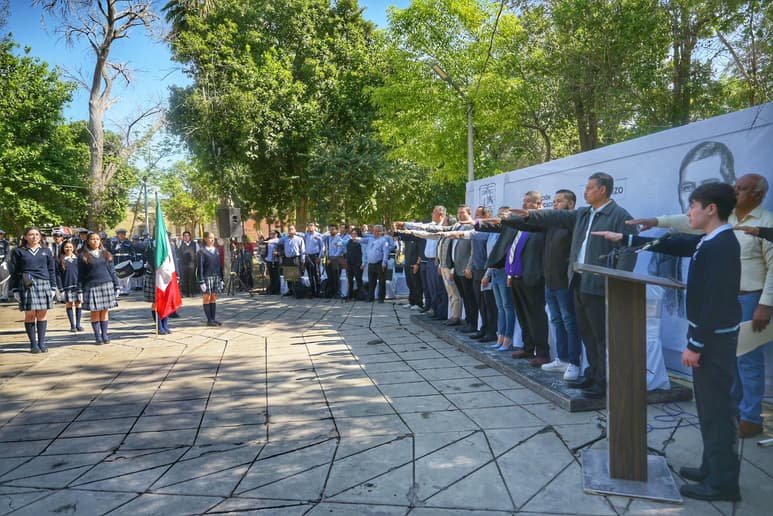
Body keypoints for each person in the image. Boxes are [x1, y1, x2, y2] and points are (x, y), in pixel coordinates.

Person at [593, 182, 742, 502]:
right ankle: (712, 468)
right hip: (710, 339)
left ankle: (723, 483)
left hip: (713, 342)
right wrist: (626, 238)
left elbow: (716, 301)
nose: (688, 212)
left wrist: (696, 344)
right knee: (709, 408)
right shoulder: (711, 240)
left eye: (692, 206)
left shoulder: (722, 245)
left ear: (710, 209)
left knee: (717, 410)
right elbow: (676, 246)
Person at [631, 173, 773, 437]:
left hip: (750, 298)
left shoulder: (766, 223)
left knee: (749, 361)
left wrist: (765, 304)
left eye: (742, 189)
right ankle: (732, 412)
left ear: (758, 195)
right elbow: (686, 222)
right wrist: (656, 221)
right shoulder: (723, 221)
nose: (736, 191)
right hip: (724, 302)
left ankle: (751, 417)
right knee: (727, 361)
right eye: (735, 187)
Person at [512, 172, 638, 399]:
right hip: (579, 280)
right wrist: (531, 214)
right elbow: (556, 217)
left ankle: (604, 382)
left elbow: (628, 253)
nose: (585, 192)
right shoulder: (584, 214)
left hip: (601, 284)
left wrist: (617, 281)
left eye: (589, 188)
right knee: (586, 332)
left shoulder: (620, 216)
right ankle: (592, 373)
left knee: (601, 336)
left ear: (602, 190)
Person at [501, 191, 551, 367]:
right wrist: (510, 273)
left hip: (533, 277)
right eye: (523, 201)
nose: (524, 205)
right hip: (516, 277)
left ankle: (543, 352)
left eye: (528, 202)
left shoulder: (543, 223)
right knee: (522, 314)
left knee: (536, 315)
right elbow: (514, 250)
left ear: (538, 204)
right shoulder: (521, 225)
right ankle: (528, 347)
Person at [539, 190, 582, 380]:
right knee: (556, 321)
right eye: (554, 201)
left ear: (571, 204)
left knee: (570, 322)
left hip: (564, 282)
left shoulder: (572, 223)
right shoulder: (552, 225)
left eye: (559, 201)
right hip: (550, 282)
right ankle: (562, 358)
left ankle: (574, 362)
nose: (555, 204)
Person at [9, 227, 56, 353]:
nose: (34, 237)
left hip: (44, 283)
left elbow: (52, 270)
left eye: (36, 234)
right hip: (27, 284)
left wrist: (53, 287)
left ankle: (42, 343)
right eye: (30, 234)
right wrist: (14, 289)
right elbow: (14, 271)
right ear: (25, 237)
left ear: (40, 237)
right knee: (30, 314)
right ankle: (33, 344)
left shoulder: (46, 251)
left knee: (42, 313)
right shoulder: (18, 251)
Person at [78, 231, 120, 345]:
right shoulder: (83, 256)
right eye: (92, 239)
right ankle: (97, 336)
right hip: (92, 286)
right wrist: (79, 290)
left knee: (104, 311)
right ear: (88, 241)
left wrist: (117, 286)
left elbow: (112, 271)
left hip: (106, 284)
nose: (95, 241)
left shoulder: (106, 254)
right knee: (95, 312)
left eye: (97, 239)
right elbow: (80, 275)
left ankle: (105, 335)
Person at [56, 240, 84, 333]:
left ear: (73, 248)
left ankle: (78, 324)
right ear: (63, 248)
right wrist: (60, 288)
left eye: (70, 247)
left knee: (78, 304)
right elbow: (58, 276)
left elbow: (82, 273)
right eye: (66, 247)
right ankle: (72, 325)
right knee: (69, 304)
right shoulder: (60, 260)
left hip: (78, 285)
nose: (68, 249)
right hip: (67, 285)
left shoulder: (78, 259)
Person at [197, 231, 223, 326]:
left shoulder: (216, 250)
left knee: (213, 297)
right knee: (206, 298)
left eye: (213, 238)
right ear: (205, 239)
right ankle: (209, 320)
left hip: (216, 276)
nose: (212, 240)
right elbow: (200, 267)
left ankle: (213, 318)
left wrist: (221, 278)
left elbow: (219, 265)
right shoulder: (201, 251)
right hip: (207, 277)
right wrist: (201, 281)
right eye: (210, 238)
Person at [364, 225, 390, 303]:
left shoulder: (383, 240)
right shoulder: (371, 239)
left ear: (380, 232)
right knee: (371, 281)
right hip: (371, 263)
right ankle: (370, 297)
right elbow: (362, 239)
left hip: (380, 263)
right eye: (374, 231)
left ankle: (381, 298)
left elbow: (386, 252)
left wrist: (384, 263)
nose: (374, 232)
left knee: (381, 281)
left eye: (376, 231)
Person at [300, 222, 324, 297]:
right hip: (308, 256)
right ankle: (313, 291)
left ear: (314, 227)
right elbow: (299, 234)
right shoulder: (306, 235)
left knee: (316, 274)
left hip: (315, 256)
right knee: (310, 275)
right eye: (309, 226)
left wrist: (319, 257)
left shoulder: (319, 235)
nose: (310, 227)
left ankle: (318, 291)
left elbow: (323, 247)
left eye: (311, 226)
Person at [323, 223, 345, 298]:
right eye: (330, 229)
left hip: (336, 261)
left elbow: (339, 252)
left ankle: (337, 293)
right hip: (328, 259)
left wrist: (331, 259)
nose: (331, 231)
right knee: (330, 277)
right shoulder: (327, 238)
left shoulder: (339, 239)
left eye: (333, 229)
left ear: (337, 230)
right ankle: (331, 292)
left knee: (336, 277)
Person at [111, 229, 134, 295]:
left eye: (122, 234)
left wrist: (131, 260)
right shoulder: (114, 243)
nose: (120, 236)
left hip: (126, 260)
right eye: (119, 234)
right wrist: (115, 249)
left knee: (126, 277)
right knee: (119, 276)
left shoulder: (128, 243)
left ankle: (127, 290)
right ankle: (121, 290)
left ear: (124, 235)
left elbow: (132, 252)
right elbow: (112, 252)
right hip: (117, 261)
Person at [178, 231, 199, 297]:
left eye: (187, 236)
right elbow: (178, 253)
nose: (186, 237)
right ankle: (185, 293)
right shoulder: (181, 244)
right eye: (185, 236)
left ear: (190, 237)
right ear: (183, 237)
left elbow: (198, 253)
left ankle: (192, 292)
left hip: (192, 264)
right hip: (183, 264)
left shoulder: (194, 244)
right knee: (184, 279)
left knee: (192, 278)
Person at [346, 227, 364, 300]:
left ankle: (360, 296)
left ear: (358, 234)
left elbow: (363, 253)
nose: (353, 235)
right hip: (349, 263)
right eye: (352, 233)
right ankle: (350, 295)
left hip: (357, 264)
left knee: (358, 280)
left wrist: (362, 263)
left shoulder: (361, 242)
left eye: (355, 233)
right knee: (350, 280)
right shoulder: (349, 241)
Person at [0, 229, 10, 302]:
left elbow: (7, 253)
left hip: (2, 262)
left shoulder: (5, 243)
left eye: (1, 234)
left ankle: (4, 295)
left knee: (5, 278)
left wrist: (5, 261)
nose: (0, 235)